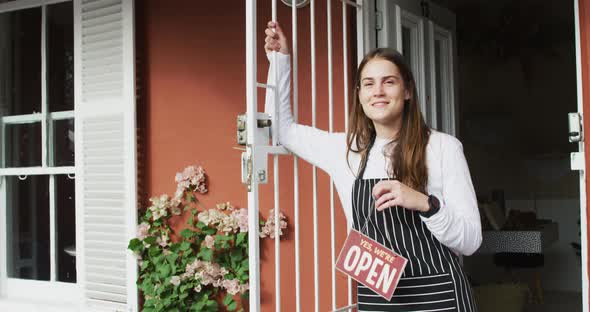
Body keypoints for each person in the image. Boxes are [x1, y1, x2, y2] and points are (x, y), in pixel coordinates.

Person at [264, 21, 481, 312]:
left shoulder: (443, 148)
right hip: (379, 298)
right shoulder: (345, 151)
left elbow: (471, 241)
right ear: (360, 94)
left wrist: (425, 203)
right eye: (368, 83)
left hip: (439, 295)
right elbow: (279, 128)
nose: (377, 91)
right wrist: (280, 61)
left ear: (407, 91)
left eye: (389, 81)